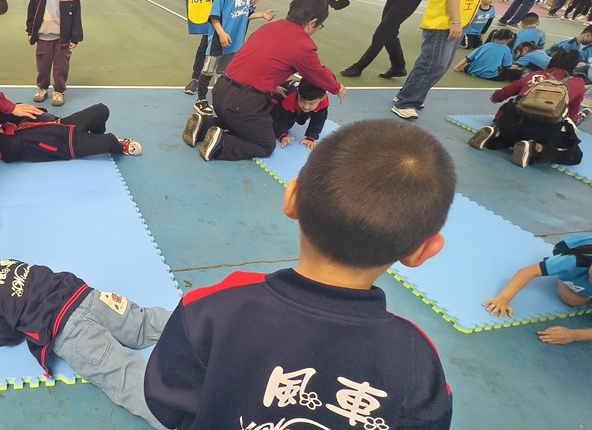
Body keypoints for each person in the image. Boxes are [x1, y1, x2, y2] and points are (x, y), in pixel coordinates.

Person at [145, 120, 456, 430]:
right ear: (423, 251)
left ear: (292, 198)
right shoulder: (417, 356)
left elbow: (169, 403)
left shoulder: (212, 307)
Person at [0, 254, 171, 430]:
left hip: (70, 330)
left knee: (122, 375)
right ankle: (190, 323)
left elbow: (6, 336)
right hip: (89, 297)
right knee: (142, 322)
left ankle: (180, 414)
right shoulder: (3, 264)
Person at [182, 0, 346, 162]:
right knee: (265, 144)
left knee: (243, 124)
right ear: (312, 23)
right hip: (244, 102)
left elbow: (257, 63)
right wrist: (337, 88)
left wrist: (272, 85)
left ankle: (203, 126)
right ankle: (222, 144)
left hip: (220, 91)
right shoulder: (303, 45)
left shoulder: (268, 28)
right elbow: (317, 74)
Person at [391, 0, 508, 121]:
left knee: (440, 65)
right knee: (432, 64)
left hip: (460, 22)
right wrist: (455, 22)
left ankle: (409, 95)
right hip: (443, 23)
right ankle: (405, 102)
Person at [469, 50, 584, 167]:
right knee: (575, 155)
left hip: (512, 121)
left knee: (511, 131)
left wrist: (495, 97)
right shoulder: (578, 83)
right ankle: (535, 149)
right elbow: (573, 115)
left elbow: (507, 91)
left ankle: (496, 135)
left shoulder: (536, 75)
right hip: (543, 130)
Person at [192, 0, 276, 116]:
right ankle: (201, 100)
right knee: (208, 70)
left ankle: (217, 100)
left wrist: (261, 14)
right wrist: (221, 33)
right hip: (219, 39)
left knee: (222, 74)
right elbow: (214, 16)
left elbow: (247, 13)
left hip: (234, 41)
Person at [483, 235, 592, 345]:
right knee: (573, 300)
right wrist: (504, 298)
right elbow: (529, 272)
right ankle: (563, 276)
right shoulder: (573, 262)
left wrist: (573, 335)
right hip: (569, 249)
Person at [339, 0, 440, 78]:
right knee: (389, 33)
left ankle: (358, 67)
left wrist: (437, 5)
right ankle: (398, 67)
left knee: (381, 34)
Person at [0, 104, 142, 162]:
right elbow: (13, 145)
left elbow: (13, 109)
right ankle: (121, 146)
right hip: (68, 146)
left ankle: (95, 136)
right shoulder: (5, 152)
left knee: (101, 110)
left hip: (65, 124)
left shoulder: (7, 124)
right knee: (110, 141)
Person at [26, 0, 83, 107]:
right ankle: (42, 88)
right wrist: (30, 31)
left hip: (62, 39)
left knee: (61, 67)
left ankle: (58, 91)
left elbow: (76, 16)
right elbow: (32, 11)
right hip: (43, 36)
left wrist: (75, 38)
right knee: (43, 65)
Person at [271, 79, 328, 150]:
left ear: (323, 97)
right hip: (280, 98)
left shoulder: (323, 102)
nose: (306, 106)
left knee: (302, 118)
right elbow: (280, 117)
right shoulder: (290, 99)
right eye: (301, 100)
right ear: (298, 93)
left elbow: (318, 120)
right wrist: (282, 135)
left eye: (312, 103)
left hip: (296, 106)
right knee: (272, 127)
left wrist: (311, 138)